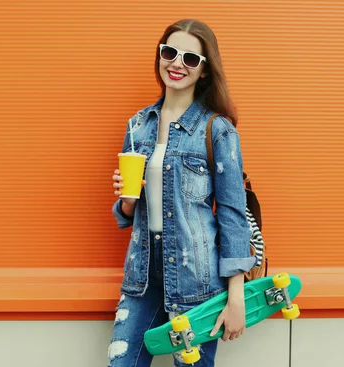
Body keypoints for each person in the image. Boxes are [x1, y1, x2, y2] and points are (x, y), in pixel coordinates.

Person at [108, 19, 256, 367]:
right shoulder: (138, 125)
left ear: (204, 70)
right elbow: (131, 211)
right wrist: (127, 202)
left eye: (191, 58)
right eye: (170, 52)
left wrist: (237, 298)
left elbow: (234, 215)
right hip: (142, 277)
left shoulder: (216, 130)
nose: (177, 63)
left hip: (197, 281)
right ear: (160, 56)